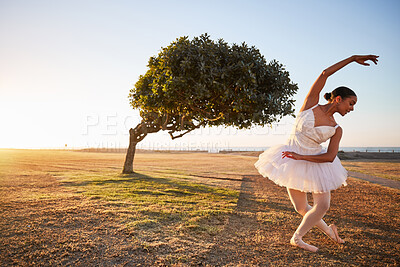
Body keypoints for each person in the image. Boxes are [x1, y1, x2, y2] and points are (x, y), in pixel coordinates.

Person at [254, 54, 379, 252]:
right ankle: (330, 231)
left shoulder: (336, 129)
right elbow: (324, 73)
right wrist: (353, 58)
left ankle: (297, 237)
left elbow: (330, 157)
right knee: (301, 208)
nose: (352, 108)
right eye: (351, 103)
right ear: (338, 99)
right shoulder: (311, 104)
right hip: (290, 157)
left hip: (315, 161)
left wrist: (302, 157)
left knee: (322, 206)